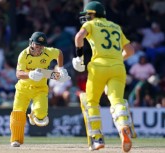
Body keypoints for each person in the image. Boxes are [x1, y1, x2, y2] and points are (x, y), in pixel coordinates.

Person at [72, 1, 135, 152]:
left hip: (98, 66)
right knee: (117, 101)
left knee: (91, 101)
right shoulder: (115, 27)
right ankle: (123, 127)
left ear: (93, 14)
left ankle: (97, 138)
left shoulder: (91, 24)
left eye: (88, 15)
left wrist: (79, 58)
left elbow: (79, 37)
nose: (86, 17)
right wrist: (116, 59)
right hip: (118, 67)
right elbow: (130, 50)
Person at [10, 31, 70, 147]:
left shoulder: (48, 52)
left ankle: (34, 114)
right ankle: (16, 139)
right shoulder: (23, 54)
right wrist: (29, 75)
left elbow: (59, 53)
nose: (39, 49)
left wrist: (61, 69)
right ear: (31, 43)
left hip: (40, 88)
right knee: (18, 112)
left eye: (42, 46)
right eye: (37, 46)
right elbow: (18, 74)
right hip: (23, 88)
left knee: (42, 117)